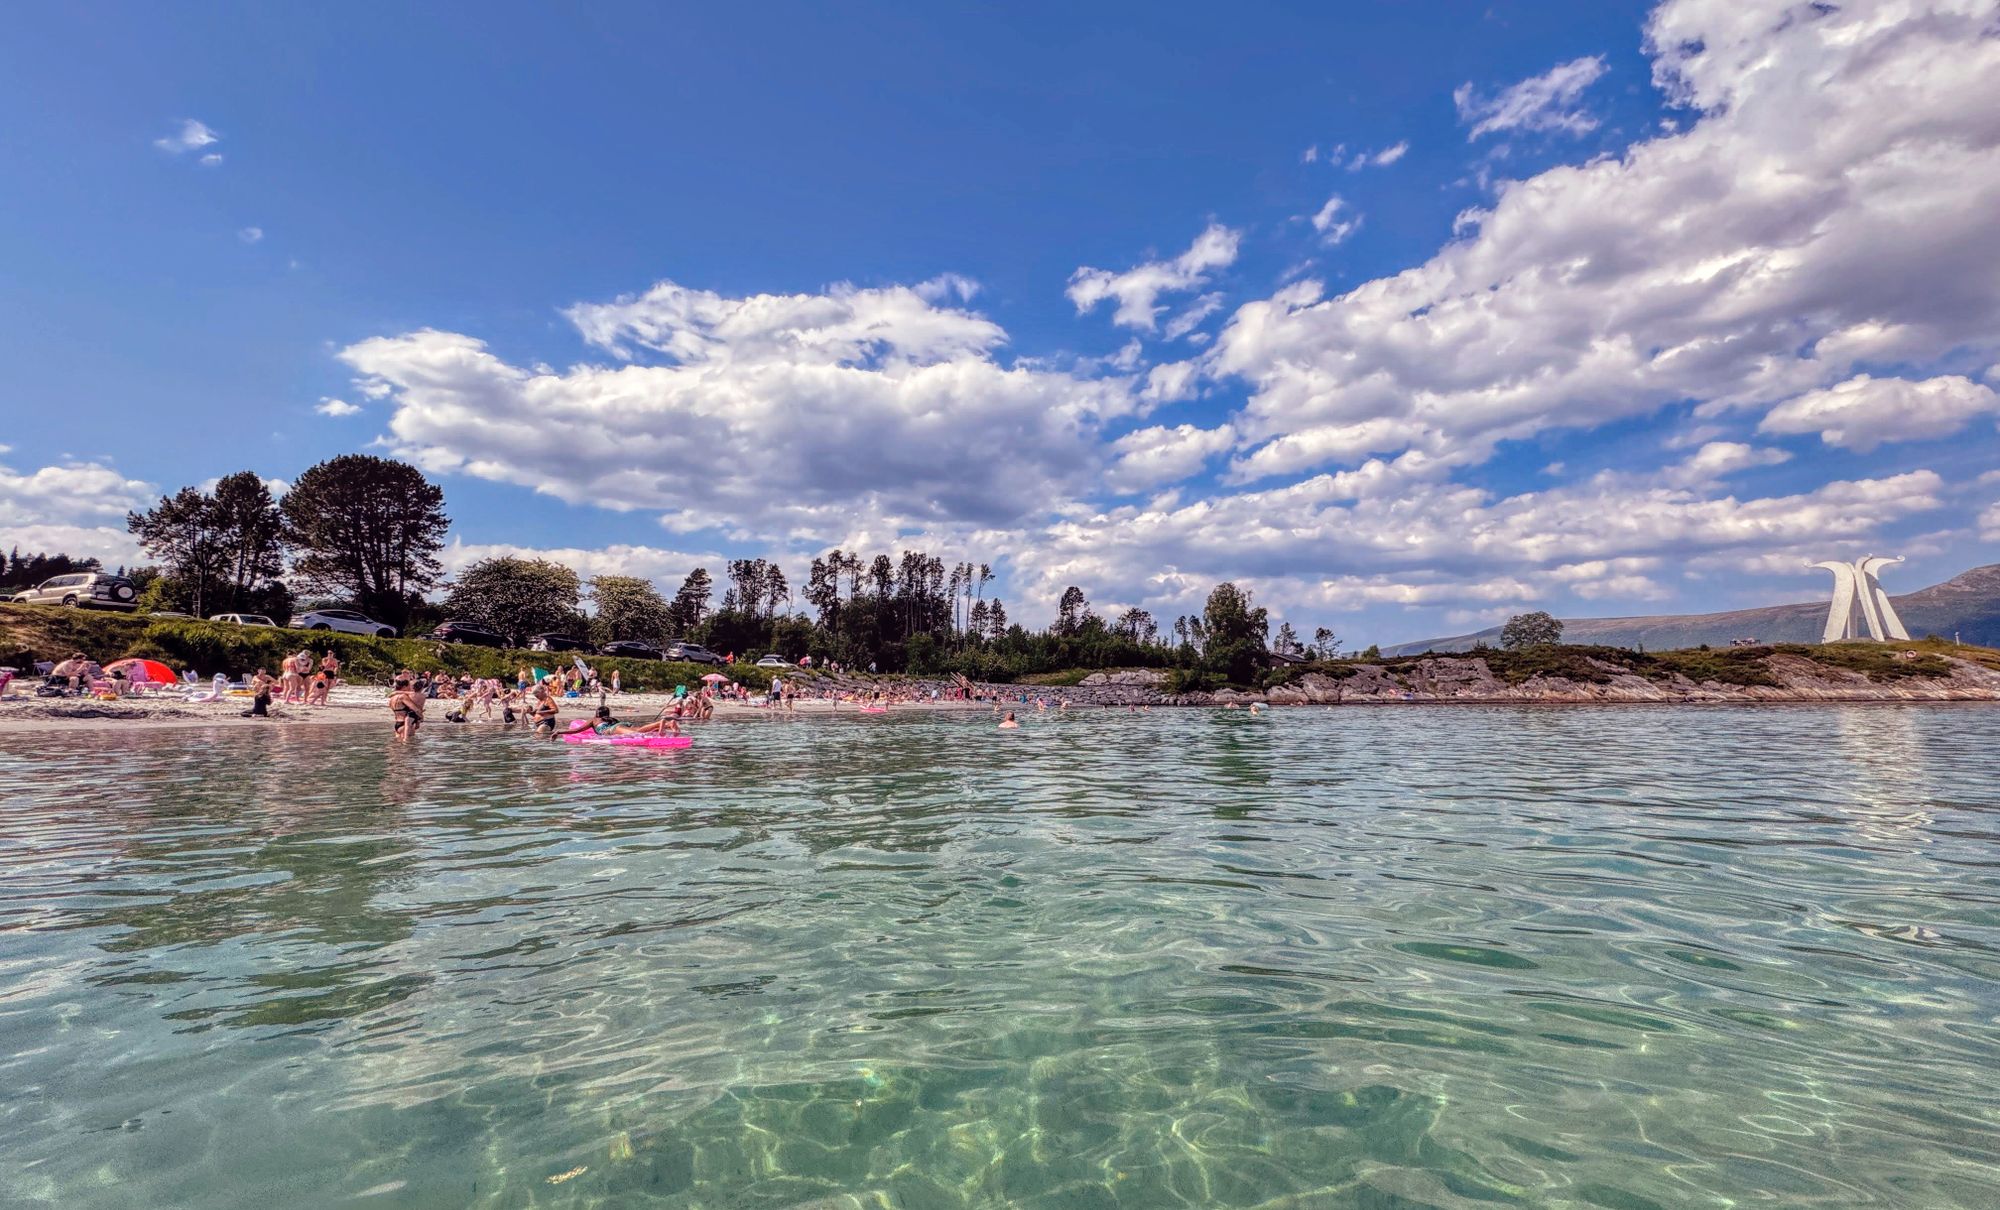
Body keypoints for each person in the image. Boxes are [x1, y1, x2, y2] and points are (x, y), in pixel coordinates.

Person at [389, 676, 425, 740]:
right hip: (405, 724)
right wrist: (421, 717)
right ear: (405, 686)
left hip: (397, 723)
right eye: (409, 686)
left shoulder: (392, 698)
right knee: (409, 745)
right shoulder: (404, 697)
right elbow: (415, 709)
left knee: (398, 746)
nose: (410, 687)